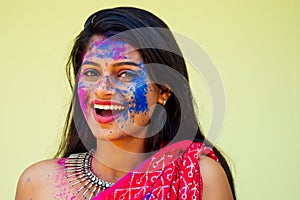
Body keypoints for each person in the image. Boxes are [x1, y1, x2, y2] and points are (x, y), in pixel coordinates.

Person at [16, 7, 236, 200]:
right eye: (92, 72)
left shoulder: (198, 177)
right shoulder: (37, 184)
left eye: (125, 75)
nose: (102, 89)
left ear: (164, 90)